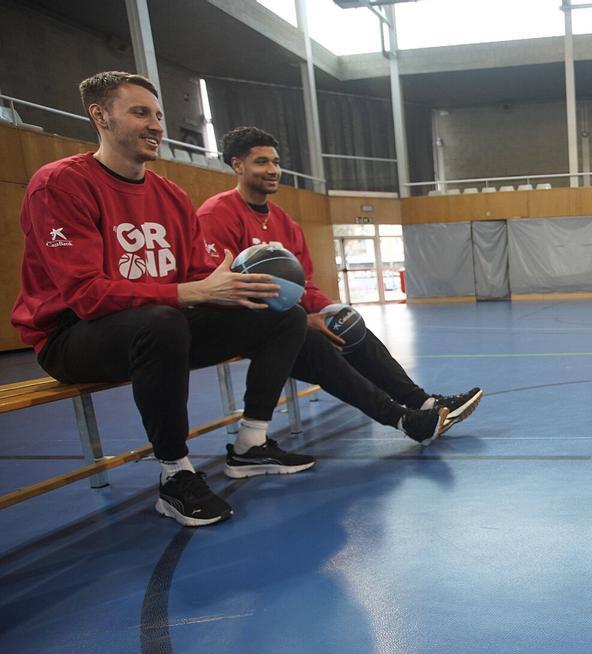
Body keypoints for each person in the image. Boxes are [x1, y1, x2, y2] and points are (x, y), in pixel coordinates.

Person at [11, 72, 315, 527]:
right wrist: (192, 292)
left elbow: (194, 277)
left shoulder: (170, 195)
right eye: (140, 113)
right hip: (72, 338)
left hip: (159, 327)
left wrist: (236, 289)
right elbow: (86, 295)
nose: (156, 125)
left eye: (158, 114)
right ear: (100, 116)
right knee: (162, 320)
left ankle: (251, 442)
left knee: (282, 315)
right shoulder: (59, 184)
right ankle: (175, 474)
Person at [197, 127, 479, 445]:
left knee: (349, 327)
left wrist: (331, 310)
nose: (273, 170)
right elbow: (220, 289)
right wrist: (305, 320)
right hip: (245, 325)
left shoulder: (285, 222)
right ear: (237, 165)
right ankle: (403, 419)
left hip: (288, 323)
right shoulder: (216, 215)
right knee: (316, 346)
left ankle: (423, 403)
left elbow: (304, 285)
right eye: (261, 162)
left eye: (275, 162)